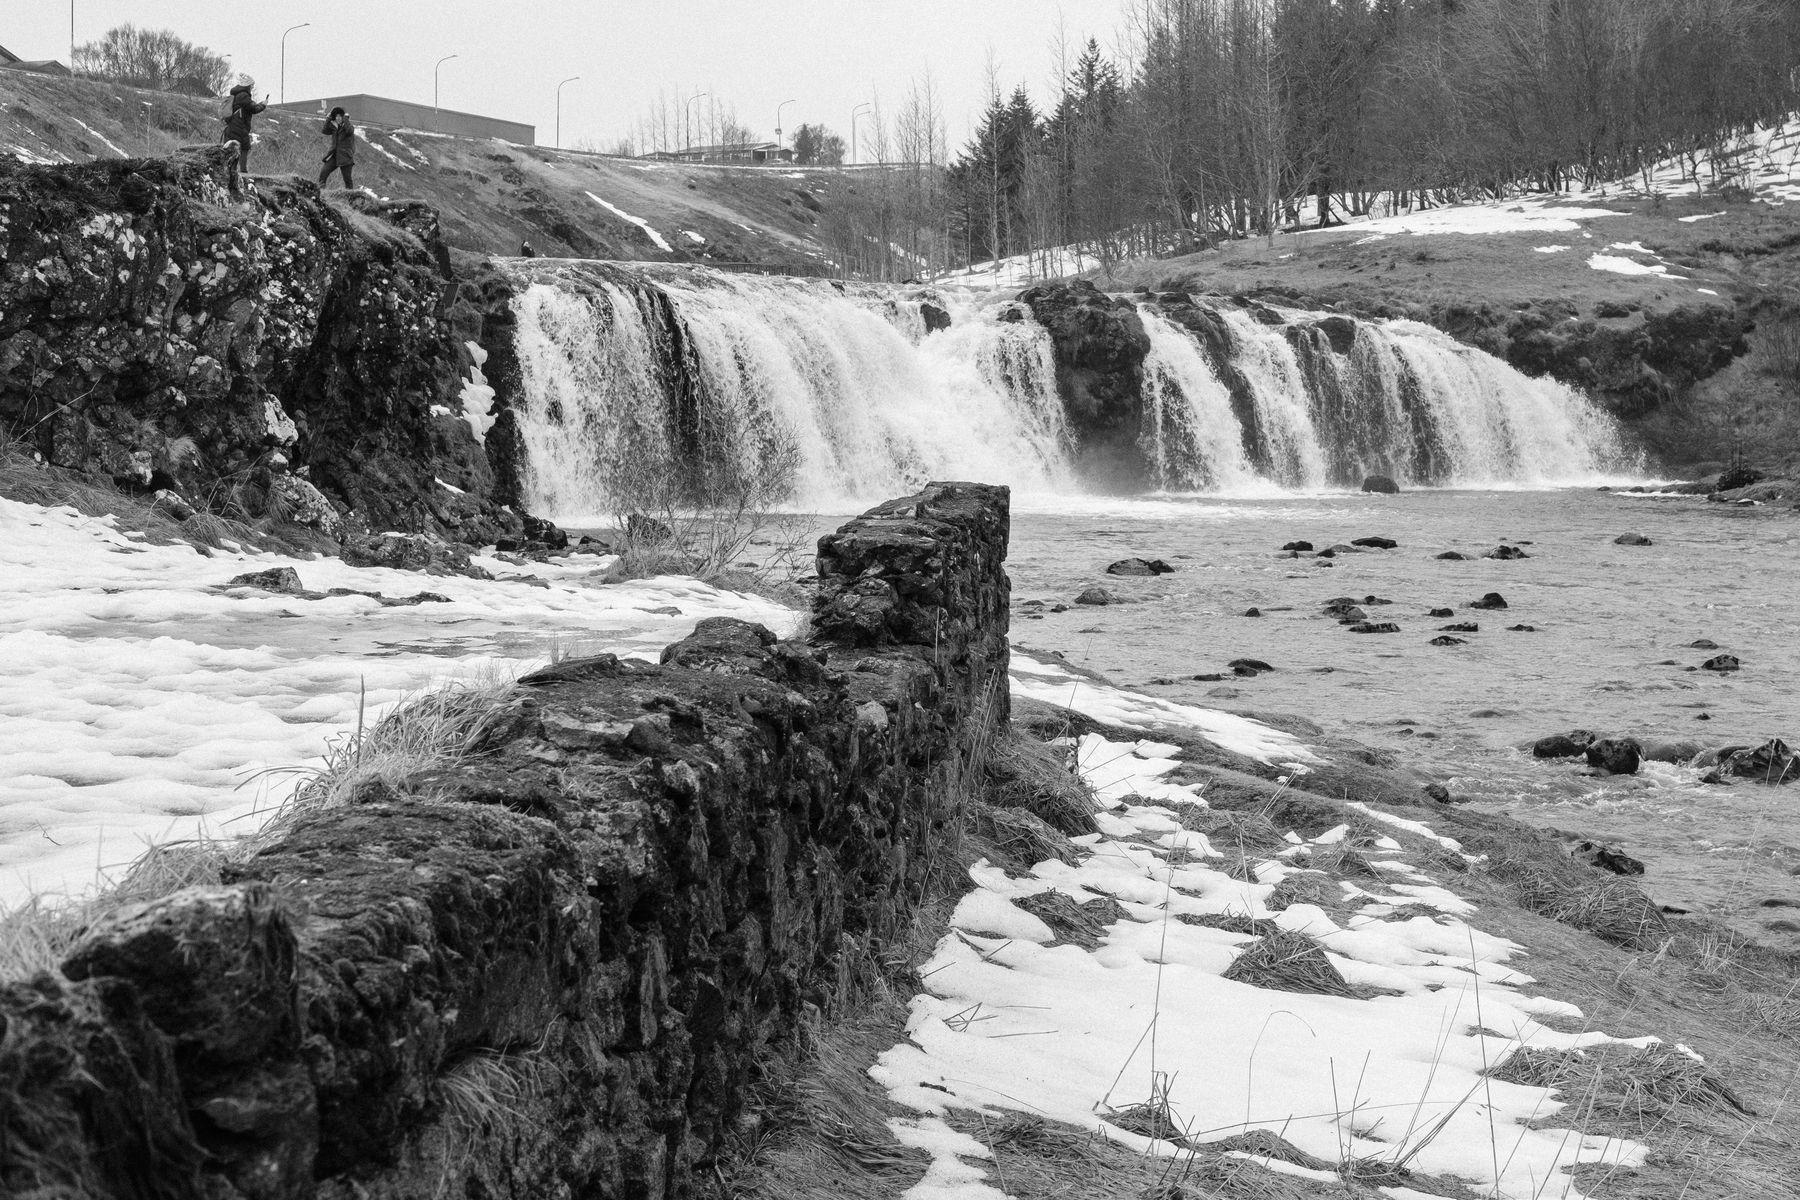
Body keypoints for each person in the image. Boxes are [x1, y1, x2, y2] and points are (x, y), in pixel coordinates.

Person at [221, 82, 266, 179]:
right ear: (248, 86)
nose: (252, 87)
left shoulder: (237, 94)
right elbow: (253, 109)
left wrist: (260, 104)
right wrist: (263, 105)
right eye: (252, 85)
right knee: (244, 147)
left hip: (232, 126)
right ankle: (243, 172)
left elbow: (249, 106)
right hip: (239, 126)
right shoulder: (243, 95)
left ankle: (231, 170)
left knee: (231, 149)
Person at [319, 106, 357, 190]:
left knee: (347, 180)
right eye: (336, 116)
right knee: (323, 173)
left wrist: (346, 119)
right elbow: (324, 131)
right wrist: (329, 118)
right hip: (335, 156)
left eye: (340, 116)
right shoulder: (334, 128)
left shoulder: (349, 127)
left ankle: (351, 198)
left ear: (343, 117)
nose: (338, 118)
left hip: (346, 157)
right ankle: (321, 193)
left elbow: (349, 131)